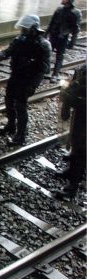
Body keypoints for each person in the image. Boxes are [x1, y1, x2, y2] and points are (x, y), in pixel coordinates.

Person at [0, 15, 51, 146]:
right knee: (9, 101)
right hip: (16, 76)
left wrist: (32, 82)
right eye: (22, 28)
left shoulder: (43, 45)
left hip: (29, 80)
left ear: (33, 29)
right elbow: (7, 52)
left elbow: (44, 69)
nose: (22, 31)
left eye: (25, 29)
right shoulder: (19, 40)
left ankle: (21, 136)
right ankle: (11, 126)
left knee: (20, 106)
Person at [55, 64, 86, 198]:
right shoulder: (84, 68)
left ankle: (72, 186)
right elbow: (73, 84)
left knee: (82, 150)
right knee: (75, 141)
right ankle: (71, 170)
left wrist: (71, 99)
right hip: (80, 114)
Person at [45, 0, 82, 83]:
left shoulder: (75, 13)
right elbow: (51, 23)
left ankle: (55, 74)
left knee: (59, 56)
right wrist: (46, 34)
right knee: (47, 53)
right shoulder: (59, 9)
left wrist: (72, 41)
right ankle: (46, 70)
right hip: (53, 35)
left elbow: (76, 29)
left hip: (63, 37)